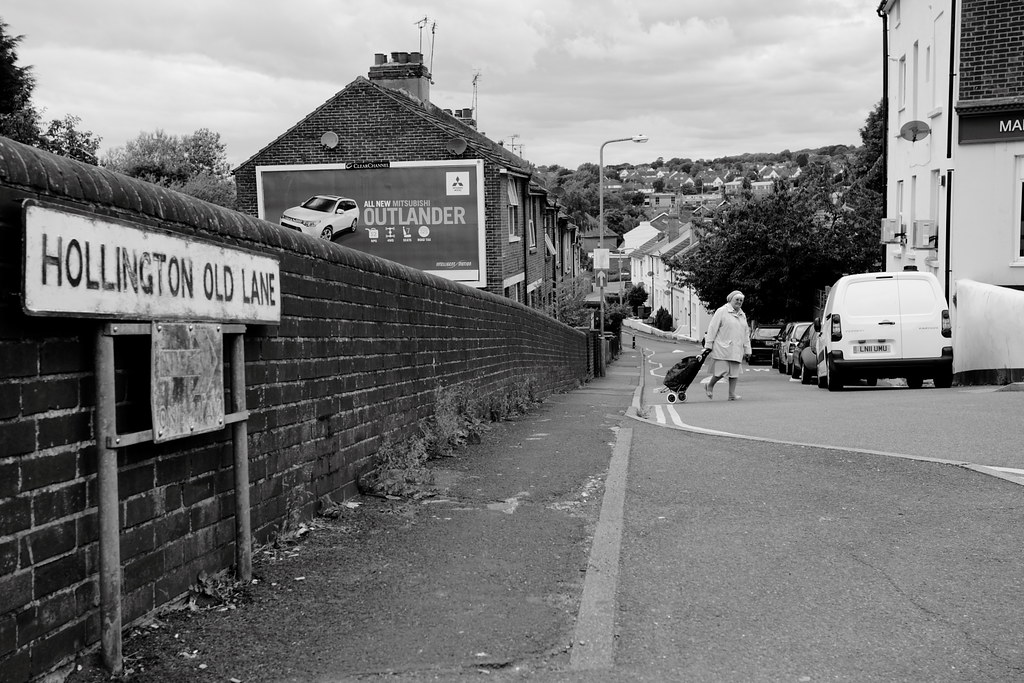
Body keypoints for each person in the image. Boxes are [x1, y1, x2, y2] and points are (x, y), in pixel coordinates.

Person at [703, 290, 752, 401]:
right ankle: (709, 385)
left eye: (741, 300)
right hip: (722, 347)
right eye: (737, 300)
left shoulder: (742, 314)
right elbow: (712, 328)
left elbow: (746, 333)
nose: (739, 302)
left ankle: (732, 394)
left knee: (734, 373)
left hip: (737, 348)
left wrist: (747, 349)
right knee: (721, 371)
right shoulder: (722, 311)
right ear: (730, 300)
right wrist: (709, 344)